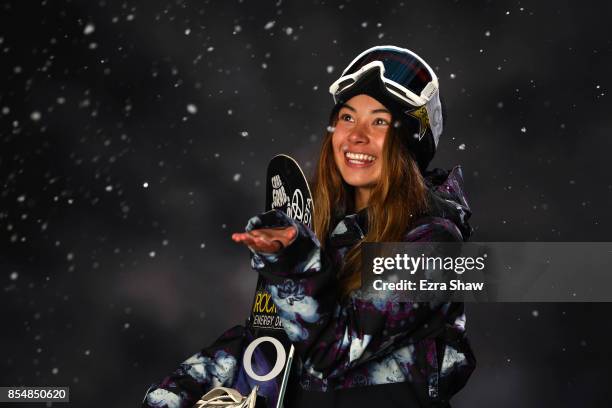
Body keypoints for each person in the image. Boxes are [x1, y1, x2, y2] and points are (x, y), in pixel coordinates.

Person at [142, 45, 475, 408]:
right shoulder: (328, 231)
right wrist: (176, 391)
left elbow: (335, 350)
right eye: (347, 118)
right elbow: (269, 339)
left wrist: (293, 263)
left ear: (407, 142)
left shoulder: (435, 242)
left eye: (379, 121)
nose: (356, 135)